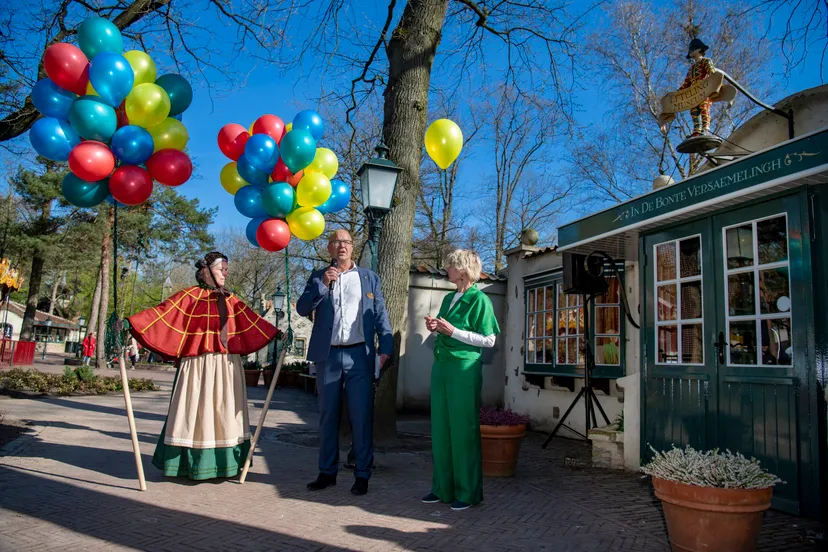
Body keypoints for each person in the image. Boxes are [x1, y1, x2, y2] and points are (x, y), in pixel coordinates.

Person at [128, 251, 281, 481]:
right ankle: (188, 462)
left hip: (227, 366)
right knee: (193, 410)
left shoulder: (232, 299)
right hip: (196, 366)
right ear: (207, 271)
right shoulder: (188, 297)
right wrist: (130, 324)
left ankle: (225, 463)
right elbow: (161, 316)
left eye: (227, 271)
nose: (225, 275)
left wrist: (278, 334)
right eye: (222, 270)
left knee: (224, 410)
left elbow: (253, 323)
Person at [297, 229, 393, 496]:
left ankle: (362, 473)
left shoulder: (369, 278)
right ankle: (327, 473)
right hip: (328, 357)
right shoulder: (318, 276)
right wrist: (322, 285)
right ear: (329, 248)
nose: (342, 246)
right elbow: (302, 308)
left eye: (347, 242)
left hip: (359, 356)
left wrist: (385, 347)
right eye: (336, 242)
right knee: (328, 417)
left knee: (361, 417)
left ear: (353, 247)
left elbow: (380, 314)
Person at [421, 249, 500, 511]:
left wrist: (453, 331)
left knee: (463, 430)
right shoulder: (448, 298)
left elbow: (489, 340)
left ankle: (467, 493)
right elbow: (448, 329)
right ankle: (442, 488)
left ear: (464, 270)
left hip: (464, 370)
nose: (447, 269)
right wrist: (436, 326)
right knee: (441, 429)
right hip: (441, 365)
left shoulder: (481, 300)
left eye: (451, 266)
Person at [679, 38, 715, 137]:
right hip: (694, 94)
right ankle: (697, 131)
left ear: (699, 49)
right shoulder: (691, 68)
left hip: (704, 90)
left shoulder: (706, 61)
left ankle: (706, 128)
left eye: (693, 49)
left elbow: (712, 72)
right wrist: (677, 94)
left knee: (704, 108)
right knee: (694, 110)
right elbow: (686, 83)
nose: (691, 52)